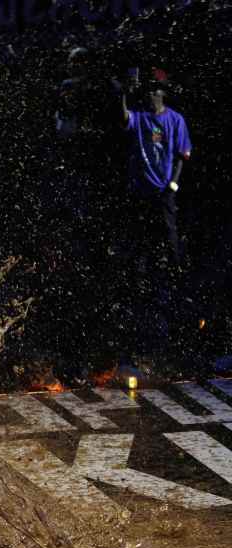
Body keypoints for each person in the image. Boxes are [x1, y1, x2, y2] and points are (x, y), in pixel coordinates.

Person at [120, 76, 192, 364]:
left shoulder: (175, 120)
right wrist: (121, 95)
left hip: (164, 187)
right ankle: (145, 260)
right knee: (143, 232)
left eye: (153, 91)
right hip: (143, 187)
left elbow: (181, 155)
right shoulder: (141, 119)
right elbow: (125, 118)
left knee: (168, 228)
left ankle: (174, 263)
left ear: (162, 93)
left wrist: (174, 183)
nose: (150, 96)